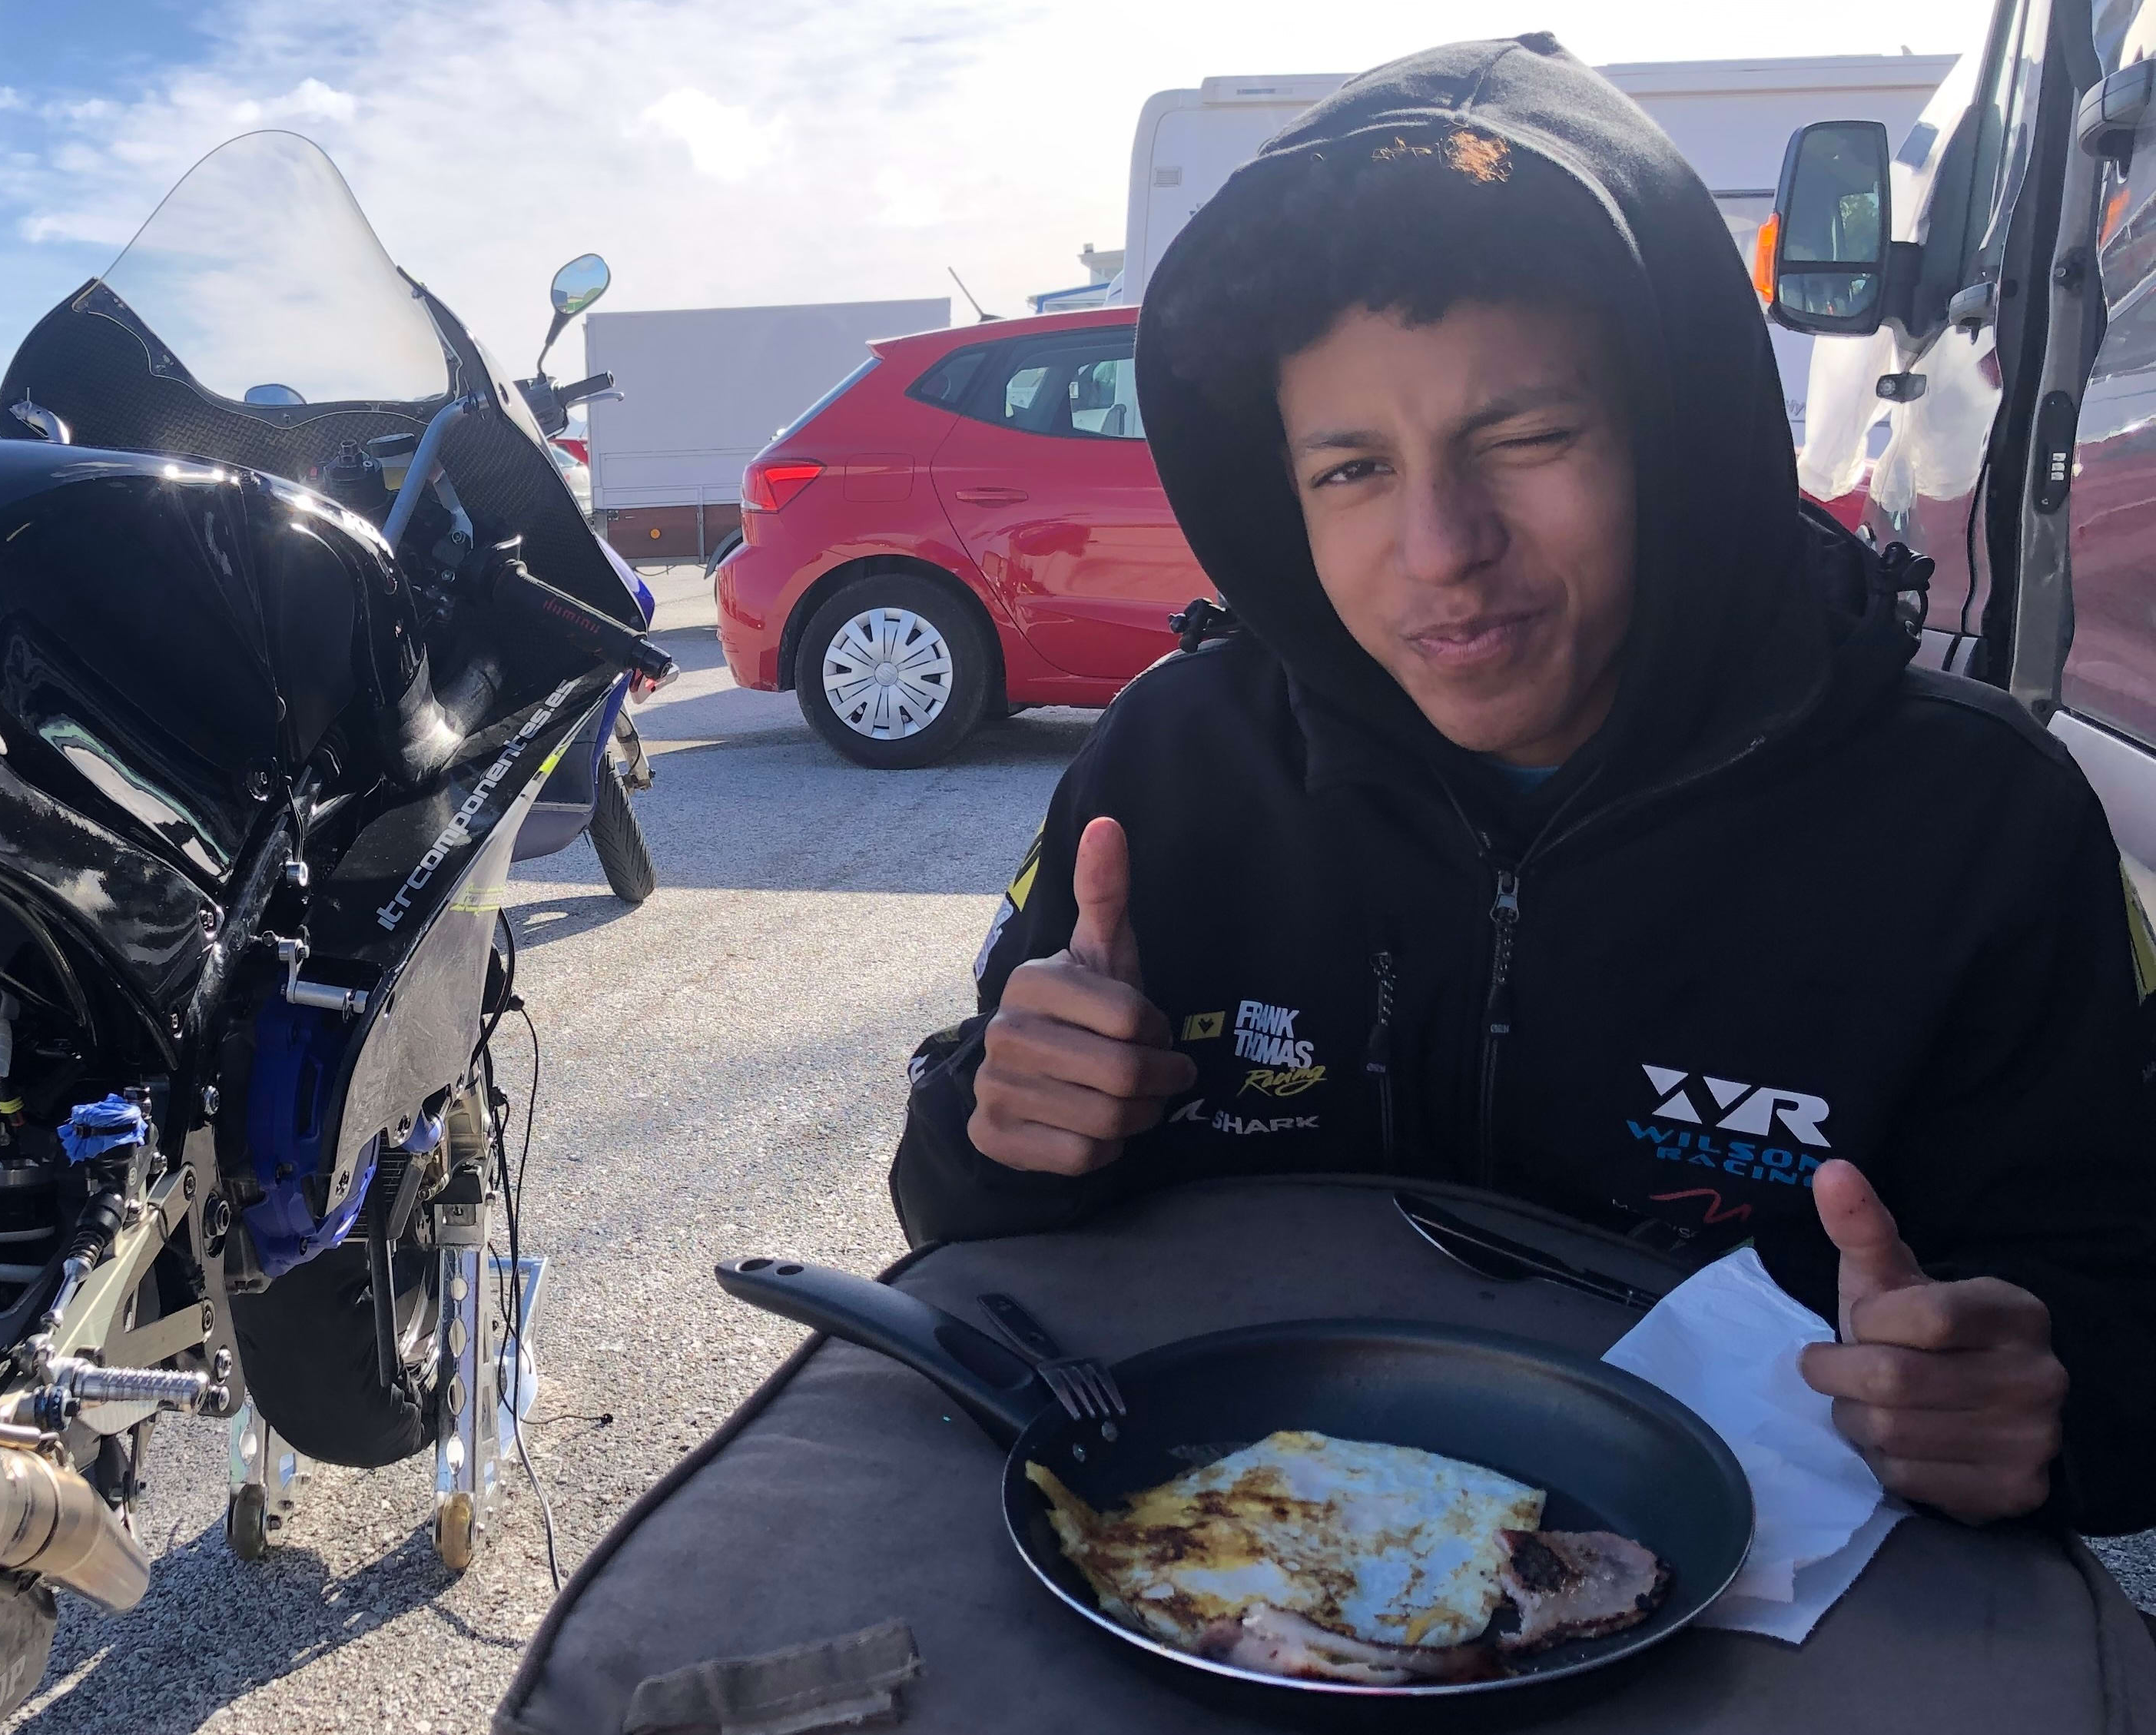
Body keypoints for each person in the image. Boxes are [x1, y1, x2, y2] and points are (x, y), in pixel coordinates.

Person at [891, 35, 2156, 1536]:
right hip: (1233, 1575)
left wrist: (2038, 1398)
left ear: (1679, 435)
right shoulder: (1170, 769)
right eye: (1352, 469)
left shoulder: (1981, 823)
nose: (1441, 547)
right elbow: (957, 1203)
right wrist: (1003, 1124)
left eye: (1528, 437)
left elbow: (2114, 1323)